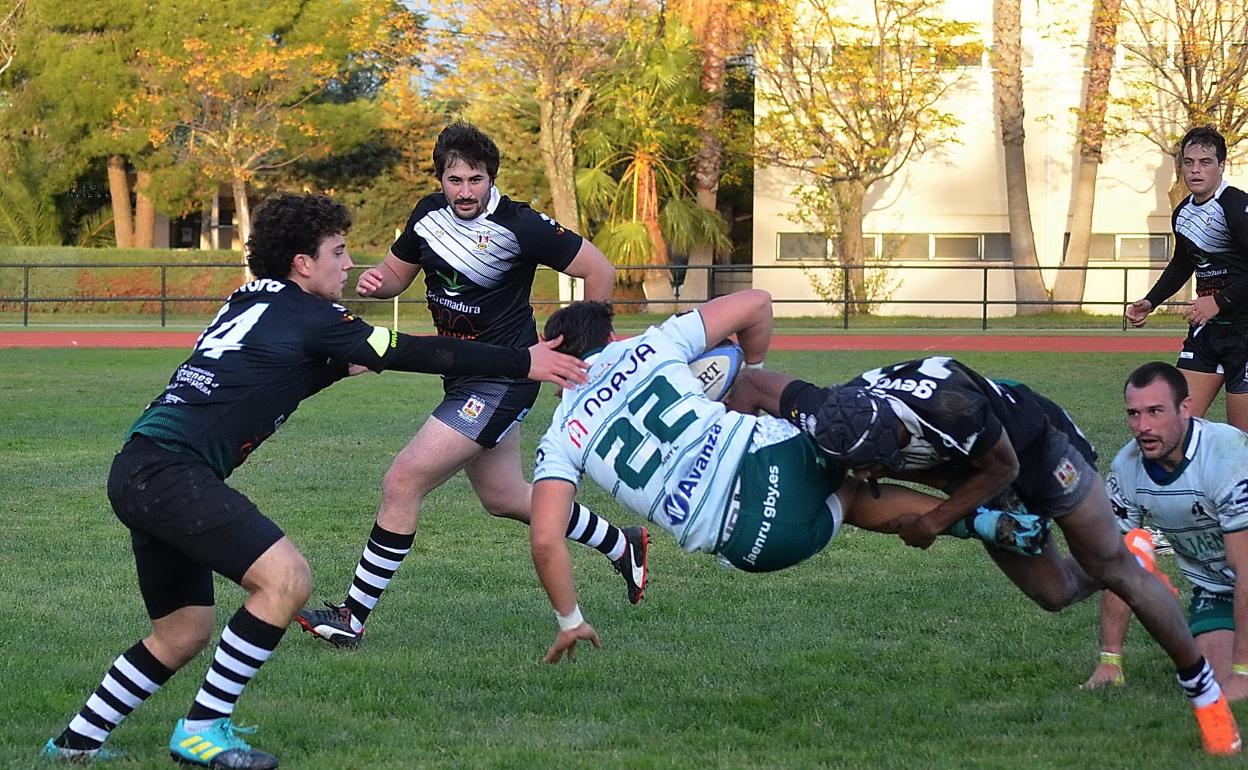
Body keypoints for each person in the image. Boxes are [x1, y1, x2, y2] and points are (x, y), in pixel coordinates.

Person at [41, 193, 589, 767]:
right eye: (338, 251)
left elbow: (275, 365)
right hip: (174, 474)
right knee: (288, 580)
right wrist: (521, 362)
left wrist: (336, 364)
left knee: (182, 633)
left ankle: (75, 742)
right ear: (303, 263)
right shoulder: (313, 318)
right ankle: (202, 729)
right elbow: (414, 352)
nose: (348, 264)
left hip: (139, 467)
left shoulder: (250, 298)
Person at [724, 358, 1242, 755]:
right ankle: (1075, 540)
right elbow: (747, 386)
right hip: (958, 463)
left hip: (1037, 448)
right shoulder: (826, 405)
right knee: (1055, 592)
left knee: (1110, 566)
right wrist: (732, 459)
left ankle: (1203, 694)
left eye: (872, 462)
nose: (864, 470)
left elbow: (1003, 469)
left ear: (896, 436)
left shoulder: (951, 407)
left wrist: (936, 521)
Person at [528, 291, 1048, 664]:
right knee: (830, 434)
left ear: (552, 353)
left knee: (845, 499)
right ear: (611, 336)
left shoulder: (559, 435)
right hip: (778, 461)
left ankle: (974, 523)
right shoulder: (649, 345)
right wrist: (749, 365)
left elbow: (547, 537)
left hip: (756, 548)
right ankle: (974, 490)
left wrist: (570, 622)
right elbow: (757, 301)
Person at [296, 121, 640, 650]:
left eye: (475, 179)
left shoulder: (521, 224)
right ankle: (624, 544)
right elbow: (394, 275)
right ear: (440, 180)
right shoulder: (426, 215)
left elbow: (599, 269)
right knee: (503, 497)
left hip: (506, 376)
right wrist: (374, 283)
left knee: (403, 479)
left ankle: (352, 616)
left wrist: (579, 349)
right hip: (461, 372)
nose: (465, 191)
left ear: (490, 178)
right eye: (454, 180)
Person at [1082, 362, 1248, 700]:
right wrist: (1110, 660)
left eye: (1155, 411)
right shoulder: (1128, 468)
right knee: (1213, 686)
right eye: (1134, 414)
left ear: (1185, 408)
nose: (1143, 426)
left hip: (1243, 573)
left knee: (1239, 684)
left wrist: (1243, 672)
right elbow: (1117, 564)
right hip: (1217, 593)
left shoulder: (1225, 455)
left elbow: (1245, 567)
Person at [1125, 125, 1248, 431]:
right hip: (1206, 333)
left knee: (1241, 440)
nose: (1195, 170)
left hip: (1245, 333)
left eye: (1205, 162)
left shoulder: (1236, 206)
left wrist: (1219, 301)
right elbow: (1182, 263)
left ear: (1221, 166)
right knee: (1179, 428)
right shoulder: (1183, 212)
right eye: (1188, 162)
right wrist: (1151, 301)